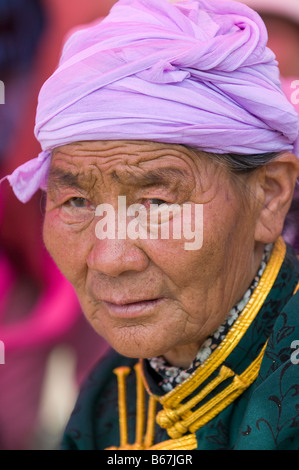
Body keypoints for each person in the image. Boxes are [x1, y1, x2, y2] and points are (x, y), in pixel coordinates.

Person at [3, 0, 299, 450]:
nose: (109, 259)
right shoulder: (110, 393)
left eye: (156, 203)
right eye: (77, 201)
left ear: (269, 195)